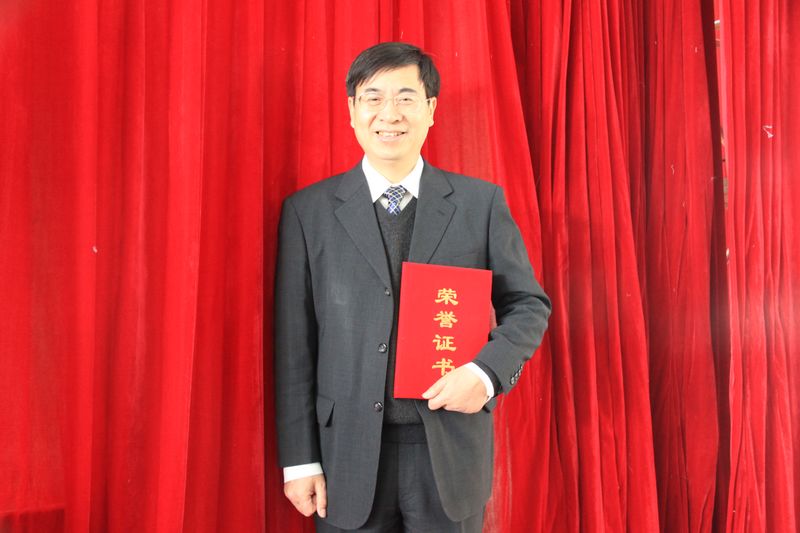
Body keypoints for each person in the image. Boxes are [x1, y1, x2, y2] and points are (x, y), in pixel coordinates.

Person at [274, 42, 551, 532]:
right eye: (373, 98)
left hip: (448, 453)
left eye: (406, 98)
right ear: (352, 111)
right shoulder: (308, 212)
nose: (390, 114)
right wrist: (299, 460)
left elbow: (528, 304)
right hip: (346, 454)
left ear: (431, 109)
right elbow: (295, 344)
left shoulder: (479, 204)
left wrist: (486, 374)